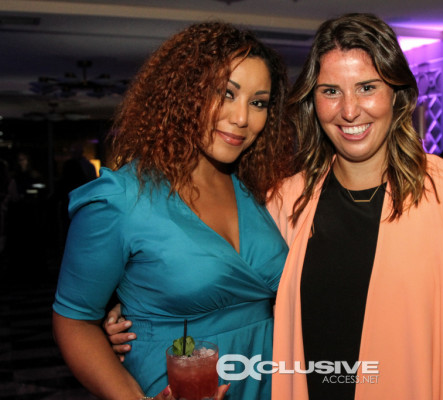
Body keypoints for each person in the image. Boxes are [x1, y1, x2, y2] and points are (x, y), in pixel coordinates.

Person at [108, 13, 443, 399]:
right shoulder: (285, 199)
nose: (349, 110)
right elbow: (217, 282)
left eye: (367, 87)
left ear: (397, 95)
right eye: (331, 91)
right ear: (313, 101)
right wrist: (127, 315)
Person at [52, 21, 294, 400]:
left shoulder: (255, 188)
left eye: (258, 102)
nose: (242, 118)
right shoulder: (120, 198)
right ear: (185, 93)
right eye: (225, 94)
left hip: (269, 380)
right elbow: (74, 320)